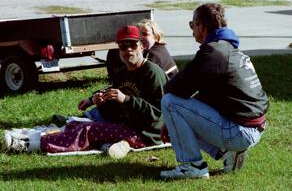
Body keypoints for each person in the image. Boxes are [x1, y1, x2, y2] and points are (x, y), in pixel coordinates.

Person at [3, 25, 169, 159]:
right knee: (76, 124)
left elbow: (158, 114)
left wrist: (125, 99)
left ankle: (29, 145)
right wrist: (100, 101)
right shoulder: (122, 73)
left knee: (89, 130)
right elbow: (115, 111)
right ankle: (33, 139)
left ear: (141, 46)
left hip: (147, 134)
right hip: (127, 126)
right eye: (123, 47)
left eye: (133, 45)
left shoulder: (153, 73)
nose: (128, 51)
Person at [159, 3, 269, 179]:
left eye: (192, 25)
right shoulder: (228, 48)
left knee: (170, 102)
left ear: (201, 26)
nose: (192, 30)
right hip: (253, 128)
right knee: (179, 109)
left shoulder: (214, 52)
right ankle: (228, 154)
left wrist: (171, 120)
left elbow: (175, 88)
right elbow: (208, 95)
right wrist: (173, 124)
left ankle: (192, 166)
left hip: (240, 132)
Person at [106, 19, 178, 83]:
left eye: (145, 34)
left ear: (156, 36)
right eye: (139, 35)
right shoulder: (160, 48)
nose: (141, 38)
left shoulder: (154, 55)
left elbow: (139, 78)